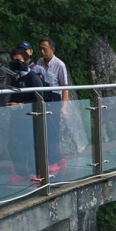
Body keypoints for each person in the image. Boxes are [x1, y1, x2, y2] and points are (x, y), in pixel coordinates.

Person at [6, 48, 44, 184]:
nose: (16, 64)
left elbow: (39, 99)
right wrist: (10, 105)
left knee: (32, 146)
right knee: (13, 145)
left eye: (19, 61)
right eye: (14, 60)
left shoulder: (33, 77)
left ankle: (39, 174)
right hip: (17, 118)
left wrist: (21, 104)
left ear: (27, 61)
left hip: (31, 117)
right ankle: (21, 172)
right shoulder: (14, 77)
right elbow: (13, 94)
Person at [36, 37, 67, 173]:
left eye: (45, 49)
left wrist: (63, 107)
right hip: (42, 98)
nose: (42, 51)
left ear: (52, 49)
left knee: (53, 131)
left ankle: (54, 161)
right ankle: (58, 158)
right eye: (40, 48)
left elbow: (65, 87)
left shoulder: (59, 65)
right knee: (42, 129)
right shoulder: (39, 63)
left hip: (54, 99)